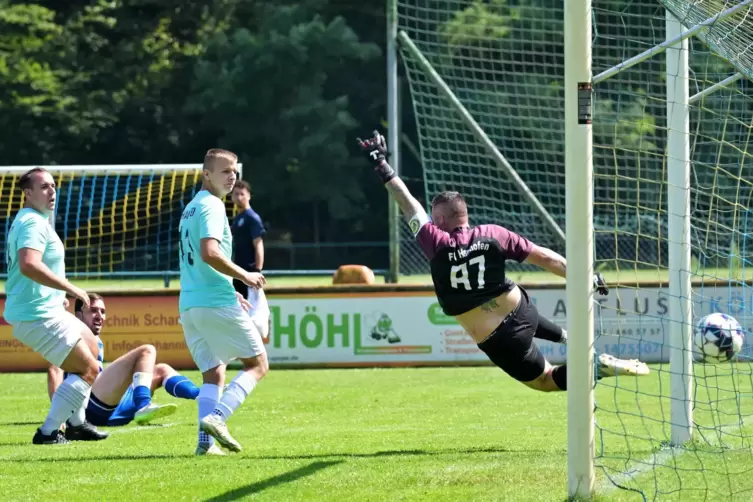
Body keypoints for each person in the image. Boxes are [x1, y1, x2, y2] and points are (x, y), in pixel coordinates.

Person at [357, 131, 649, 392]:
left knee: (545, 380)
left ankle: (594, 366)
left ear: (441, 219)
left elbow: (409, 205)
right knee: (522, 316)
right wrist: (585, 276)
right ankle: (572, 342)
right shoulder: (494, 234)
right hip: (521, 310)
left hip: (495, 336)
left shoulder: (435, 242)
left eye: (435, 218)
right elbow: (545, 257)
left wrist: (382, 165)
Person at [3, 167, 108, 444]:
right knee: (90, 370)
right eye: (45, 187)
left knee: (93, 347)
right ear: (27, 193)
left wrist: (55, 293)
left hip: (45, 308)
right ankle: (49, 432)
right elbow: (28, 264)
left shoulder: (33, 219)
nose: (52, 192)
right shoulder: (33, 223)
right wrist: (69, 288)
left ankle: (77, 423)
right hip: (36, 314)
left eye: (53, 186)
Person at [179, 148, 269, 456]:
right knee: (257, 365)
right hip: (212, 301)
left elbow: (199, 262)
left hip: (190, 305)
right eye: (225, 171)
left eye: (234, 171)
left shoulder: (191, 208)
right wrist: (244, 276)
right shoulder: (213, 206)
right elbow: (210, 253)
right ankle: (218, 418)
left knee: (213, 373)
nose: (232, 176)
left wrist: (231, 291)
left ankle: (204, 446)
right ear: (206, 174)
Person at [47, 293, 201, 427]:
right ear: (79, 315)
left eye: (103, 312)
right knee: (146, 351)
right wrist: (59, 416)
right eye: (93, 311)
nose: (99, 316)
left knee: (161, 370)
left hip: (109, 409)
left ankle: (206, 396)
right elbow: (54, 370)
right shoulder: (71, 336)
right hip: (88, 407)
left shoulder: (96, 340)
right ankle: (143, 405)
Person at [230, 180, 270, 342]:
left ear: (248, 197)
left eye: (242, 194)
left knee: (251, 311)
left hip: (248, 272)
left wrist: (257, 270)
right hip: (237, 271)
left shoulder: (252, 218)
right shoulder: (238, 218)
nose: (239, 197)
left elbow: (258, 244)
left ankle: (253, 348)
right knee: (239, 310)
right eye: (235, 194)